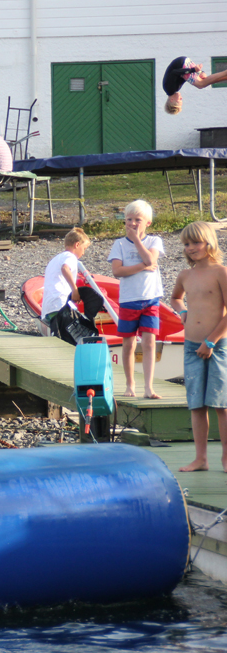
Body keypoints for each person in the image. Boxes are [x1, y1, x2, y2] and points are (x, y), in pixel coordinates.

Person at [170, 221, 227, 472]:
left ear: (209, 243)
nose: (190, 248)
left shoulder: (221, 272)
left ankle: (226, 457)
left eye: (195, 242)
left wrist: (211, 341)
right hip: (192, 346)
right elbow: (175, 297)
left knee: (221, 404)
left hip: (217, 345)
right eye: (186, 244)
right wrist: (183, 312)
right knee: (196, 404)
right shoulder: (185, 275)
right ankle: (201, 458)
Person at [108, 199, 164, 399]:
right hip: (129, 300)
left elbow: (151, 259)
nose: (132, 223)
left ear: (147, 223)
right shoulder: (119, 244)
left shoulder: (154, 241)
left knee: (149, 342)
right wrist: (142, 267)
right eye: (129, 219)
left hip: (150, 299)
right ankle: (130, 384)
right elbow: (117, 271)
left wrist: (137, 241)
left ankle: (148, 387)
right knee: (129, 344)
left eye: (137, 220)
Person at [41, 227, 92, 332]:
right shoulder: (71, 257)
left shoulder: (56, 258)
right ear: (77, 245)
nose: (83, 253)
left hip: (48, 306)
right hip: (60, 303)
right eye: (84, 248)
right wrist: (75, 290)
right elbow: (65, 268)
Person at [163, 56, 227, 115]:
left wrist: (193, 70)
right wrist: (199, 73)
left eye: (180, 100)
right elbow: (185, 77)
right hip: (182, 63)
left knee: (200, 84)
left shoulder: (170, 89)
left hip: (181, 63)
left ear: (172, 100)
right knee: (203, 81)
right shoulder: (174, 89)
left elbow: (174, 72)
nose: (181, 98)